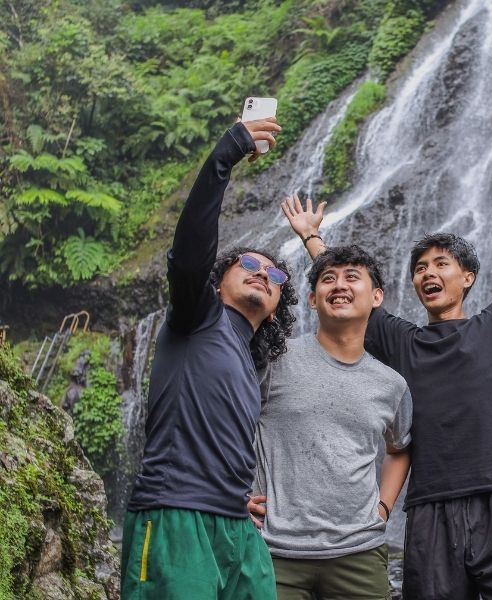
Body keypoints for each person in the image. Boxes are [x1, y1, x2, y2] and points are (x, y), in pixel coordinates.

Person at [285, 116, 492, 599]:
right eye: (419, 268)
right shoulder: (402, 341)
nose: (428, 273)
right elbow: (347, 288)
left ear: (467, 278)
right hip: (430, 507)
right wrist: (312, 237)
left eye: (440, 264)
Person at [122, 117, 298, 600]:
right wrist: (228, 151)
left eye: (275, 275)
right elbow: (188, 257)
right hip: (176, 515)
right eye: (248, 264)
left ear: (277, 306)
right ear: (217, 283)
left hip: (238, 528)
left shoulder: (249, 364)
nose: (262, 274)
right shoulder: (198, 317)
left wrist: (235, 497)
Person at [247, 244, 412, 600]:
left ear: (377, 296)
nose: (339, 285)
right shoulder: (274, 361)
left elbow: (399, 449)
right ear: (312, 299)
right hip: (275, 551)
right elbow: (228, 423)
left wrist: (383, 508)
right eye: (328, 279)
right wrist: (234, 495)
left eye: (352, 277)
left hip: (360, 553)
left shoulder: (392, 385)